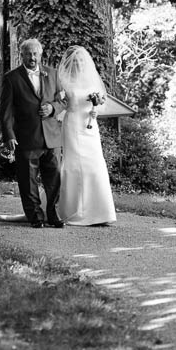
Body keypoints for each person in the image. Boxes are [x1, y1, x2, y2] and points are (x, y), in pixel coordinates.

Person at [0, 38, 66, 228]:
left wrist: (52, 109)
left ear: (40, 54)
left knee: (54, 179)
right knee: (28, 181)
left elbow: (64, 100)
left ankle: (53, 215)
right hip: (26, 137)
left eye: (35, 53)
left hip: (52, 137)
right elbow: (6, 111)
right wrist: (9, 135)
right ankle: (36, 217)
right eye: (28, 53)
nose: (32, 57)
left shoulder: (53, 74)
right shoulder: (11, 78)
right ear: (22, 55)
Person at [55, 45, 117, 226]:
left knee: (95, 163)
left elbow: (99, 103)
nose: (79, 64)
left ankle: (100, 212)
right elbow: (61, 104)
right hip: (73, 125)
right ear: (70, 64)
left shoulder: (92, 82)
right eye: (76, 61)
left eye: (82, 61)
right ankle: (72, 210)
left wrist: (95, 110)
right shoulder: (64, 82)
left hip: (90, 127)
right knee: (73, 165)